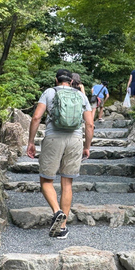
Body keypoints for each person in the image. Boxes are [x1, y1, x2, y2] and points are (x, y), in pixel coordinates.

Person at [27, 69, 93, 239]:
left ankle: (57, 212)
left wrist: (31, 142)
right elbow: (90, 124)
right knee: (67, 183)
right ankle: (62, 228)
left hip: (53, 139)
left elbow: (36, 118)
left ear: (56, 80)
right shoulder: (81, 96)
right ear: (71, 82)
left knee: (46, 180)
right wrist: (87, 146)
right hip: (76, 140)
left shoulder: (49, 92)